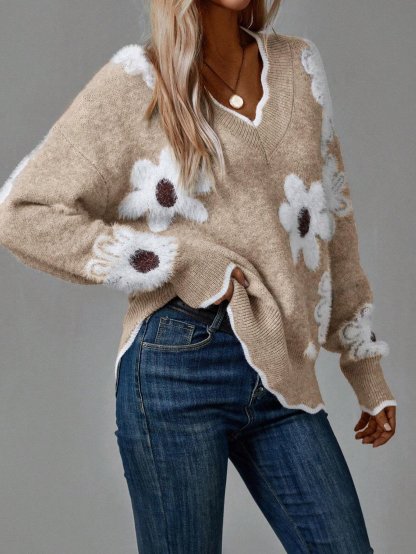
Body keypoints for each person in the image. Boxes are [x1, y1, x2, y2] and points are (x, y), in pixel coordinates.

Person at [0, 0, 398, 552]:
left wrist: (364, 365)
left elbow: (334, 216)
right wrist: (170, 259)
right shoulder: (140, 82)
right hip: (176, 365)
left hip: (282, 367)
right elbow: (23, 212)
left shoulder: (298, 66)